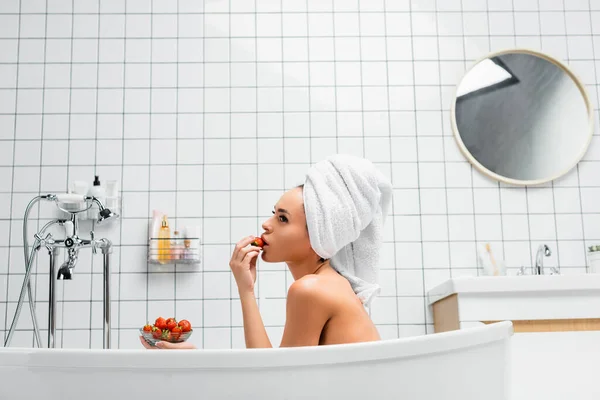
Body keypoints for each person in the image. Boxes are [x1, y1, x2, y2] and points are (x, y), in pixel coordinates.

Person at [140, 154, 391, 350]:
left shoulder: (310, 290)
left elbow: (274, 384)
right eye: (274, 213)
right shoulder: (330, 284)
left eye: (283, 219)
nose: (266, 225)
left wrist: (246, 291)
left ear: (318, 236)